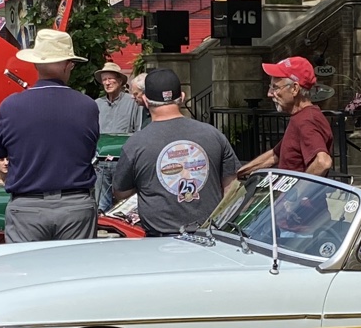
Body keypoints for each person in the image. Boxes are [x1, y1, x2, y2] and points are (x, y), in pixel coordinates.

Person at [0, 28, 99, 242]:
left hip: (27, 207)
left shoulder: (11, 106)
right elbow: (90, 148)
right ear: (68, 65)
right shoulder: (87, 106)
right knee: (76, 274)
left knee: (27, 274)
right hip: (75, 206)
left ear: (35, 64)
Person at [113, 68, 240, 237]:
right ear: (182, 97)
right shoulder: (213, 134)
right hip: (211, 237)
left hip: (160, 239)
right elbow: (232, 187)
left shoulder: (135, 143)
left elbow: (121, 191)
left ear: (145, 99)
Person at [237, 56, 333, 178]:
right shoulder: (299, 117)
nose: (270, 93)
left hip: (302, 197)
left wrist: (296, 190)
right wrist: (239, 174)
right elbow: (274, 156)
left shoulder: (307, 120)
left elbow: (323, 163)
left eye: (275, 87)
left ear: (294, 89)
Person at [94, 62, 145, 213]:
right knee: (101, 207)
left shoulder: (132, 102)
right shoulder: (97, 104)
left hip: (123, 159)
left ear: (120, 81)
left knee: (124, 206)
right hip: (100, 161)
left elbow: (139, 130)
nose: (107, 82)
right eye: (104, 79)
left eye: (110, 78)